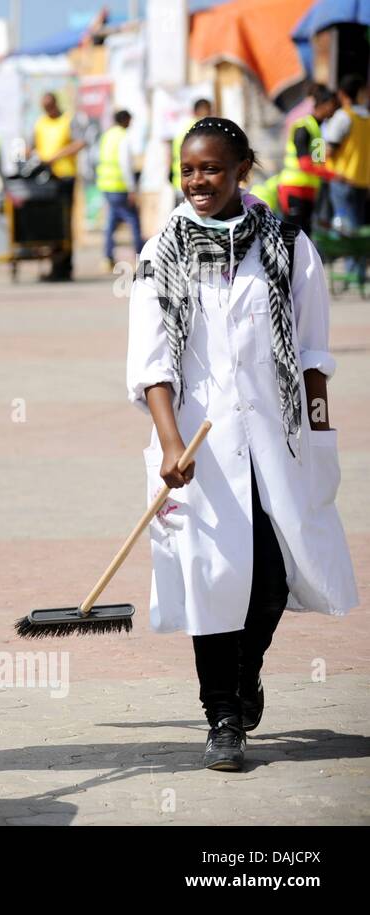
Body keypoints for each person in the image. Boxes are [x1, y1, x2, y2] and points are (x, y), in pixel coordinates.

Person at [126, 118, 357, 772]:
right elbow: (151, 364)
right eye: (189, 169)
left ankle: (246, 666)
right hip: (197, 443)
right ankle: (223, 715)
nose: (199, 181)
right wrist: (171, 443)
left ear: (242, 169)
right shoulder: (160, 251)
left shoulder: (286, 243)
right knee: (210, 576)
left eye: (213, 169)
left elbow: (313, 351)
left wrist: (318, 431)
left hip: (278, 437)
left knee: (275, 574)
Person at [30, 92, 85, 281]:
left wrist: (58, 155)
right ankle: (54, 266)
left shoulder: (68, 120)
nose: (48, 110)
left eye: (50, 106)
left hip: (65, 177)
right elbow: (33, 145)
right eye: (45, 107)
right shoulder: (40, 123)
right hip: (46, 179)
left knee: (64, 224)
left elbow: (80, 142)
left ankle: (65, 267)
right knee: (49, 225)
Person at [322, 74, 370, 285]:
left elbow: (329, 149)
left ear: (342, 94)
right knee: (358, 227)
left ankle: (353, 274)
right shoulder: (366, 118)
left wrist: (319, 159)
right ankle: (358, 271)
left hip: (342, 180)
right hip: (362, 180)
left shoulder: (344, 117)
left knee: (345, 227)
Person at [278, 84, 340, 236]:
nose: (335, 109)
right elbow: (305, 164)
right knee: (292, 238)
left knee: (305, 236)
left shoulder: (317, 129)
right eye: (333, 105)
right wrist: (335, 176)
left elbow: (318, 162)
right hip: (294, 189)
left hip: (309, 192)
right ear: (324, 104)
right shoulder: (303, 127)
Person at [96, 109, 143, 272]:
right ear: (125, 120)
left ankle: (107, 258)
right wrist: (132, 189)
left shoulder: (107, 136)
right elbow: (125, 164)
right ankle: (141, 258)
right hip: (120, 187)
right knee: (134, 221)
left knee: (111, 222)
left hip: (106, 186)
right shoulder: (123, 137)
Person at [170, 97, 212, 200]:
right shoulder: (200, 130)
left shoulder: (186, 128)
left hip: (182, 182)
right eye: (208, 110)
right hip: (193, 184)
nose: (210, 114)